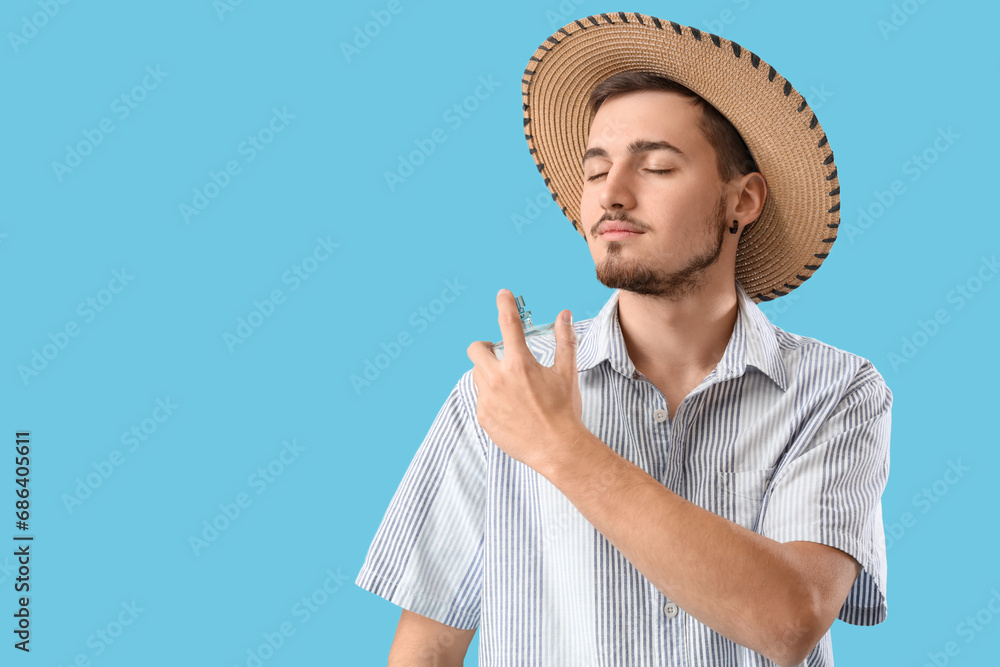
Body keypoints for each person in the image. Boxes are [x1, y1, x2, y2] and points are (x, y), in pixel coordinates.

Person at [356, 12, 891, 667]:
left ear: (742, 200)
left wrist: (561, 448)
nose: (612, 193)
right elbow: (428, 647)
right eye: (596, 168)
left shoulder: (836, 390)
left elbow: (789, 620)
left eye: (657, 166)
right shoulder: (502, 389)